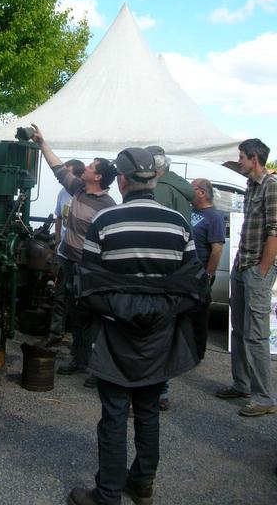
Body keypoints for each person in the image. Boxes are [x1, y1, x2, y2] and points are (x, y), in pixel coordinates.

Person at [67, 147, 207, 505]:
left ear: (124, 181)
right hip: (160, 333)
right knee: (147, 411)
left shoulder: (105, 222)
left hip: (116, 332)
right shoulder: (179, 224)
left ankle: (108, 493)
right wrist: (161, 308)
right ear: (155, 178)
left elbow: (89, 283)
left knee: (114, 413)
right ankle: (142, 483)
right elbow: (192, 281)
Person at [30, 124, 116, 385]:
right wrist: (42, 143)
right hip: (68, 261)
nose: (86, 168)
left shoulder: (107, 207)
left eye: (91, 166)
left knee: (89, 317)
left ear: (98, 177)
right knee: (71, 310)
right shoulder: (78, 188)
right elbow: (57, 168)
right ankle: (80, 360)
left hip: (87, 268)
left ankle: (94, 367)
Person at [215, 138, 277, 417]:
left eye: (241, 156)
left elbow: (275, 232)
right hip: (244, 265)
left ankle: (264, 398)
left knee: (255, 336)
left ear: (254, 158)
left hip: (255, 269)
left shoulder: (271, 186)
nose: (238, 160)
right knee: (238, 330)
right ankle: (241, 384)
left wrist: (262, 270)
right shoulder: (252, 185)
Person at [146, 145, 195, 410]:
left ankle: (151, 391)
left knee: (150, 331)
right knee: (166, 329)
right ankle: (162, 390)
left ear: (154, 167)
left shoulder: (160, 190)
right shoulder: (180, 186)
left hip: (158, 270)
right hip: (177, 268)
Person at [44, 159, 85, 347]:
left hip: (81, 258)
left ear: (77, 176)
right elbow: (59, 216)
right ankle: (55, 334)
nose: (63, 179)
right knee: (59, 295)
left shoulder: (85, 196)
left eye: (67, 174)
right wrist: (57, 241)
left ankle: (77, 340)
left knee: (79, 299)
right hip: (63, 254)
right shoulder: (62, 193)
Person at [190, 178, 226, 358]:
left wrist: (208, 274)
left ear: (202, 193)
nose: (188, 191)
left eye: (192, 188)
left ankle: (197, 353)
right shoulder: (190, 210)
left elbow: (217, 250)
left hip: (200, 274)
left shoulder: (214, 217)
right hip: (186, 273)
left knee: (199, 314)